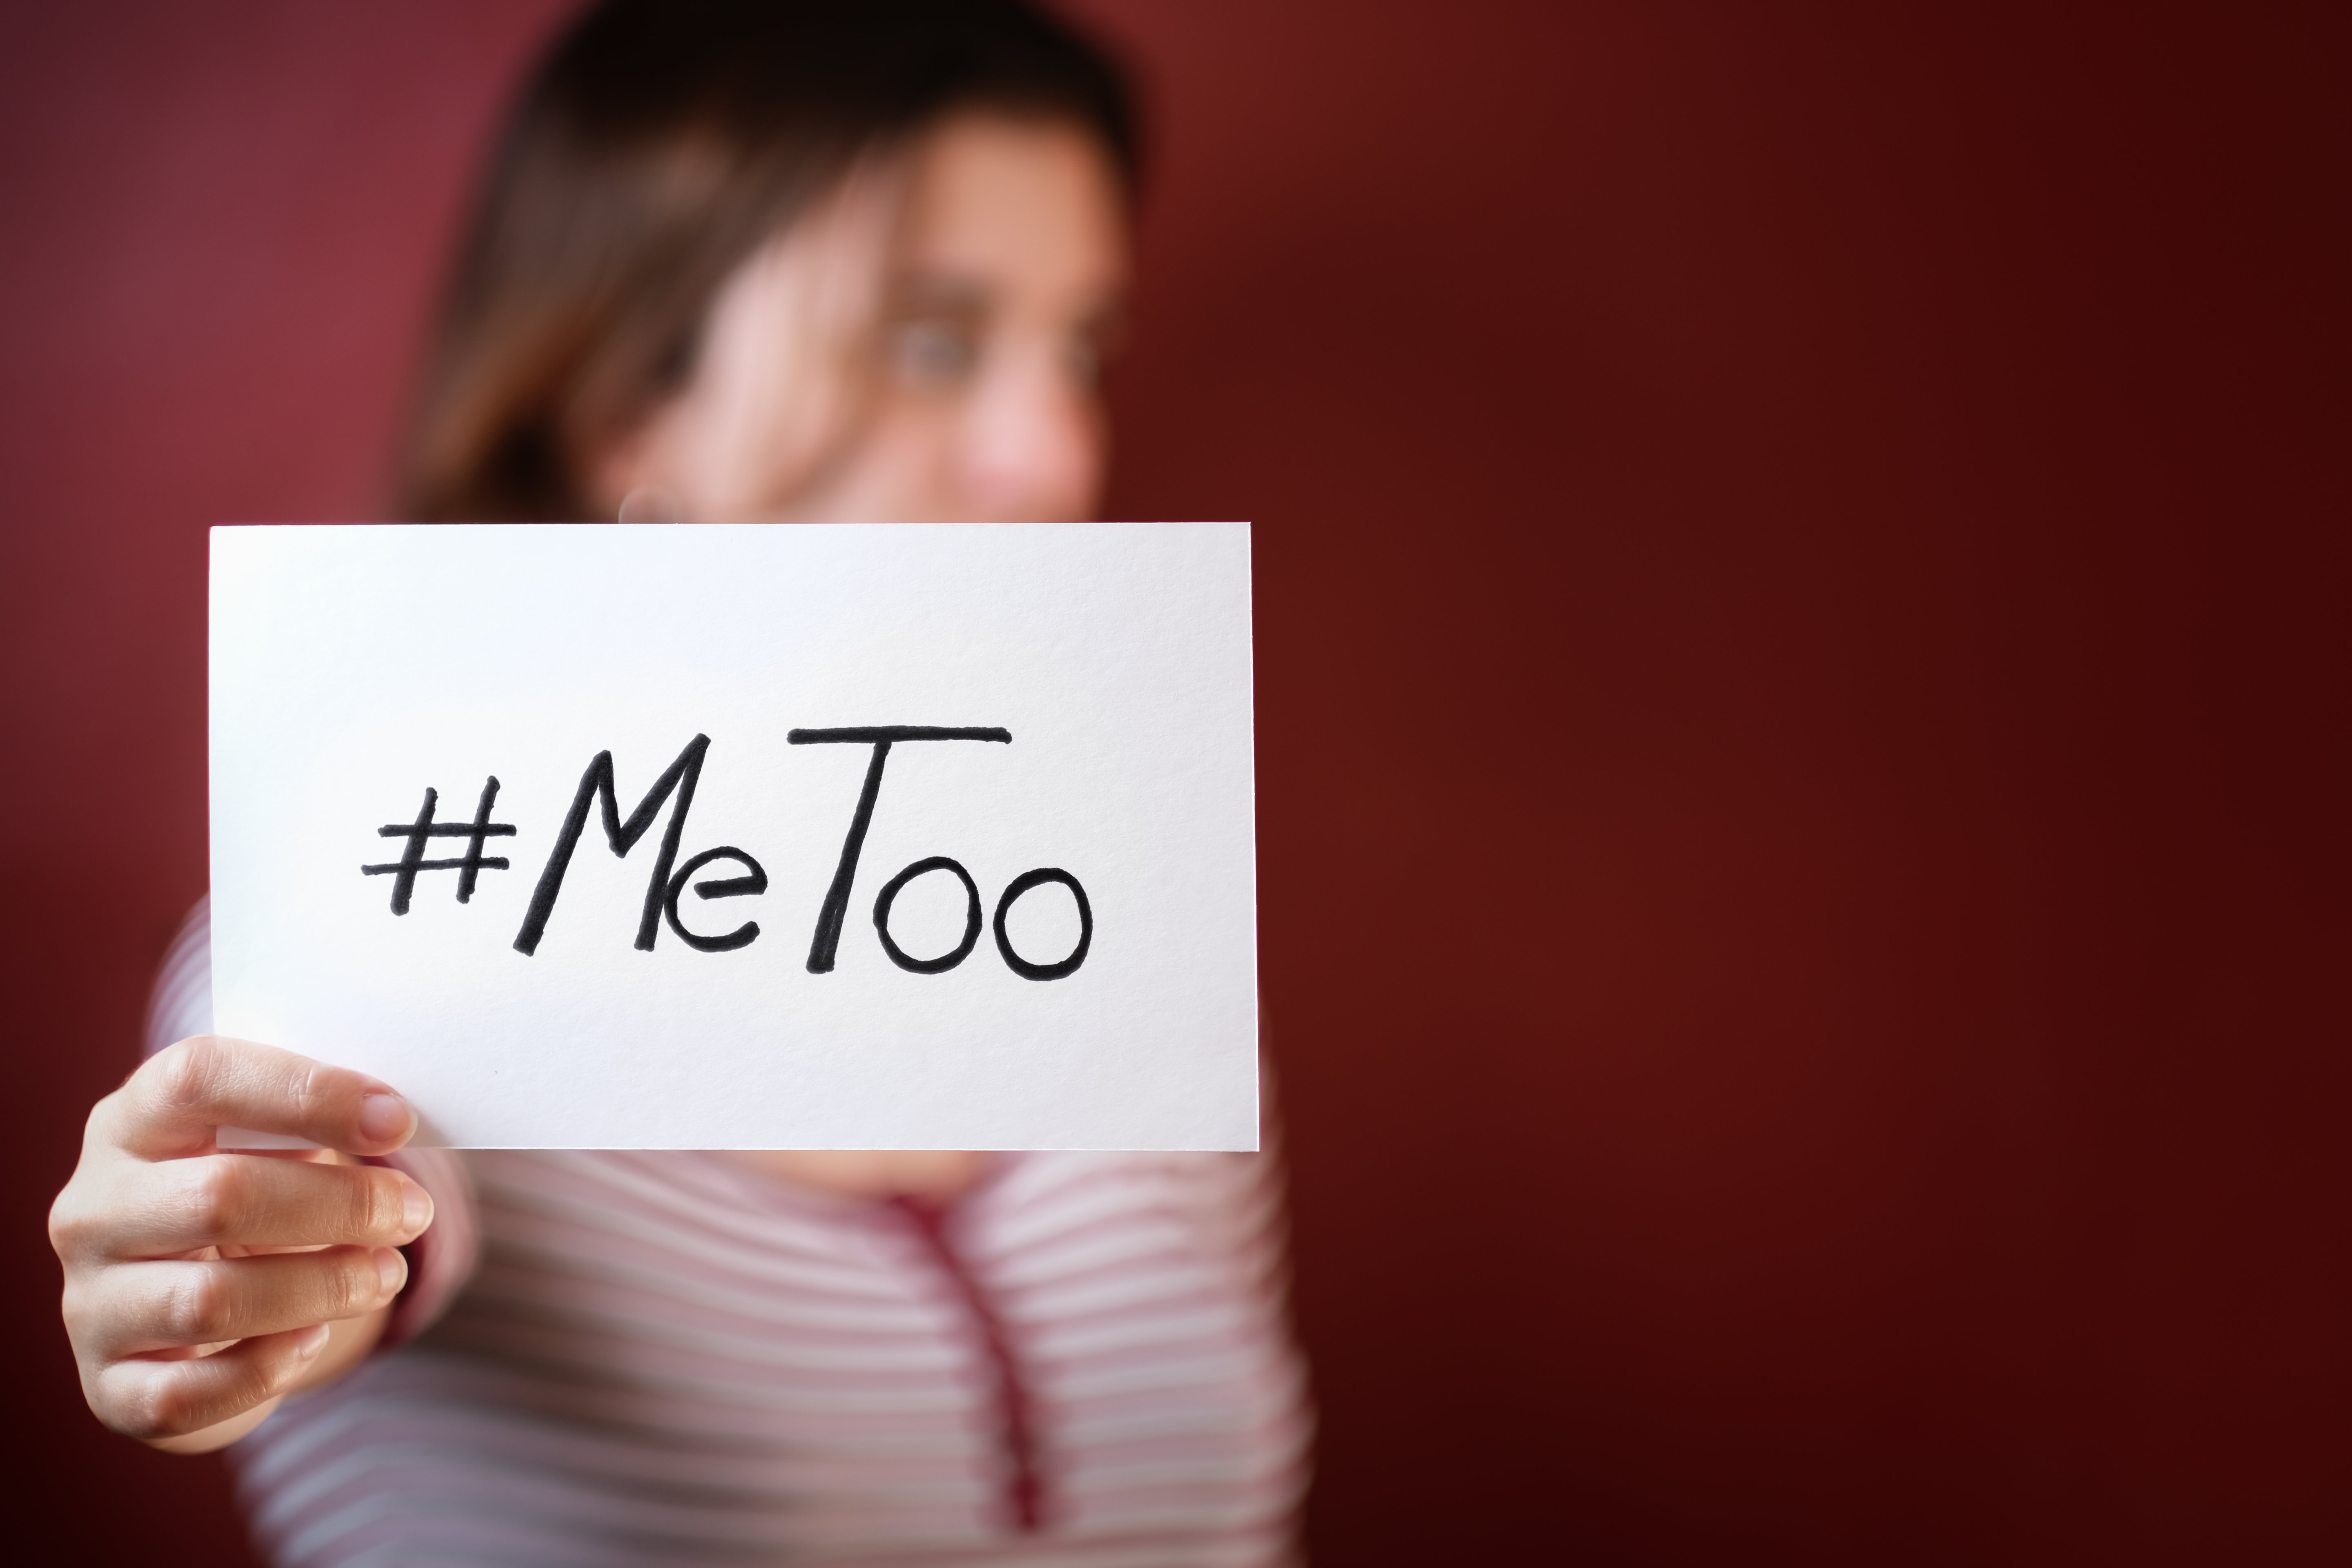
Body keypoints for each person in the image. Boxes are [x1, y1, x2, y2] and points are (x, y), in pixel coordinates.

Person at [47, 3, 1309, 1563]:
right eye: (933, 341)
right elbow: (306, 1181)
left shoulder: (1123, 941)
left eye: (1083, 352)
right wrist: (231, 1276)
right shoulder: (392, 916)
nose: (1053, 454)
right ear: (628, 402)